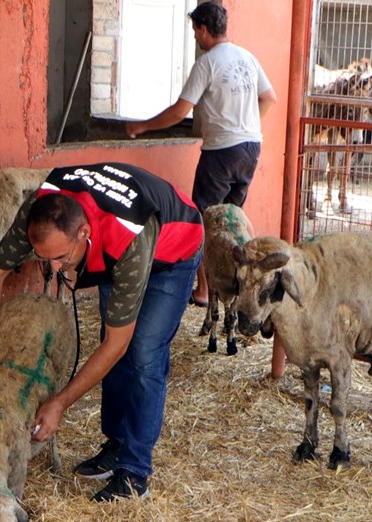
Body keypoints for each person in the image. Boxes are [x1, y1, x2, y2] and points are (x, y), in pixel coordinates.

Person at [0, 163, 204, 502]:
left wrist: (60, 403)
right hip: (114, 243)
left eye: (60, 258)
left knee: (143, 353)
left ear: (83, 234)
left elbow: (116, 344)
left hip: (173, 248)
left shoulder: (127, 237)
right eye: (43, 258)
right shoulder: (39, 210)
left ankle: (135, 472)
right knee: (117, 340)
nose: (53, 268)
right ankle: (117, 445)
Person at [124, 2, 274, 308]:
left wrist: (141, 127)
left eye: (195, 31)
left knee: (203, 220)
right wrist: (245, 125)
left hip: (221, 152)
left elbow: (180, 111)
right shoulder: (247, 57)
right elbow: (269, 98)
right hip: (250, 148)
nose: (195, 37)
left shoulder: (207, 63)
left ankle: (204, 290)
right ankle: (239, 288)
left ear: (204, 29)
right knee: (233, 221)